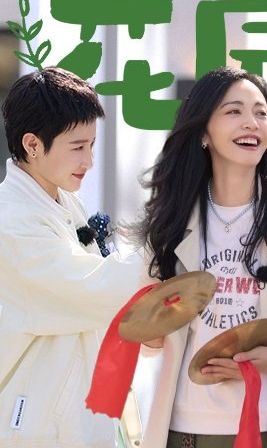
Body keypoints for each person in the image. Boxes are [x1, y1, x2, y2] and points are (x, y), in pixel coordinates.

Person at [132, 67, 267, 447]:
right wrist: (152, 323)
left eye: (261, 113)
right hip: (184, 428)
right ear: (203, 132)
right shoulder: (170, 222)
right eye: (234, 111)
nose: (252, 123)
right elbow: (149, 342)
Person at [0, 67, 144, 447]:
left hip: (75, 416)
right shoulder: (12, 221)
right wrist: (164, 251)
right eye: (78, 147)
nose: (89, 161)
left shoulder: (62, 200)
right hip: (35, 427)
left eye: (92, 145)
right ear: (32, 145)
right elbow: (91, 289)